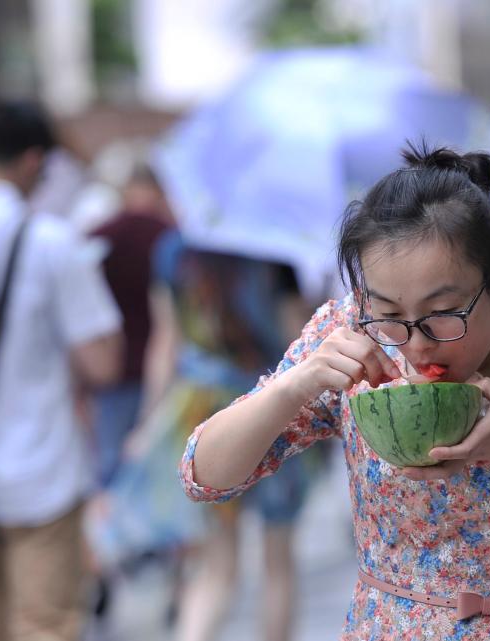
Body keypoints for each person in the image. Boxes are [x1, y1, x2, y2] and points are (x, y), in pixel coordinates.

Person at [180, 145, 490, 640]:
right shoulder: (354, 340)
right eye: (391, 313)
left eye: (443, 313)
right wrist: (294, 385)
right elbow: (203, 475)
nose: (415, 346)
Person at [0, 101, 123, 641]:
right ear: (33, 161)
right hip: (39, 469)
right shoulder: (49, 241)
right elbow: (103, 362)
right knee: (45, 625)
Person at [142, 228, 312, 641]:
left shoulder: (171, 250)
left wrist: (147, 420)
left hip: (205, 409)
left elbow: (167, 340)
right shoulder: (271, 247)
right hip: (274, 407)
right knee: (278, 558)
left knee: (217, 566)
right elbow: (299, 337)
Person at [89, 162, 174, 487]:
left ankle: (118, 536)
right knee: (163, 473)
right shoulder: (171, 238)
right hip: (168, 370)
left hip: (113, 367)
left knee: (114, 468)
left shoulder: (102, 235)